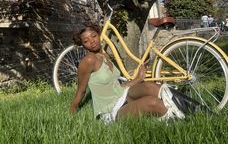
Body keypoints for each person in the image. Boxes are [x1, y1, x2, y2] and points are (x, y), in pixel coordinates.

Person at [69, 25, 198, 124]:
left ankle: (200, 111)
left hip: (122, 97)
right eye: (86, 41)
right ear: (83, 45)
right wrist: (71, 114)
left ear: (99, 35)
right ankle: (185, 120)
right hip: (110, 111)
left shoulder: (104, 55)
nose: (92, 41)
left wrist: (138, 79)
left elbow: (118, 85)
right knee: (151, 102)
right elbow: (81, 91)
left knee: (150, 86)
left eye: (93, 36)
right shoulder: (88, 61)